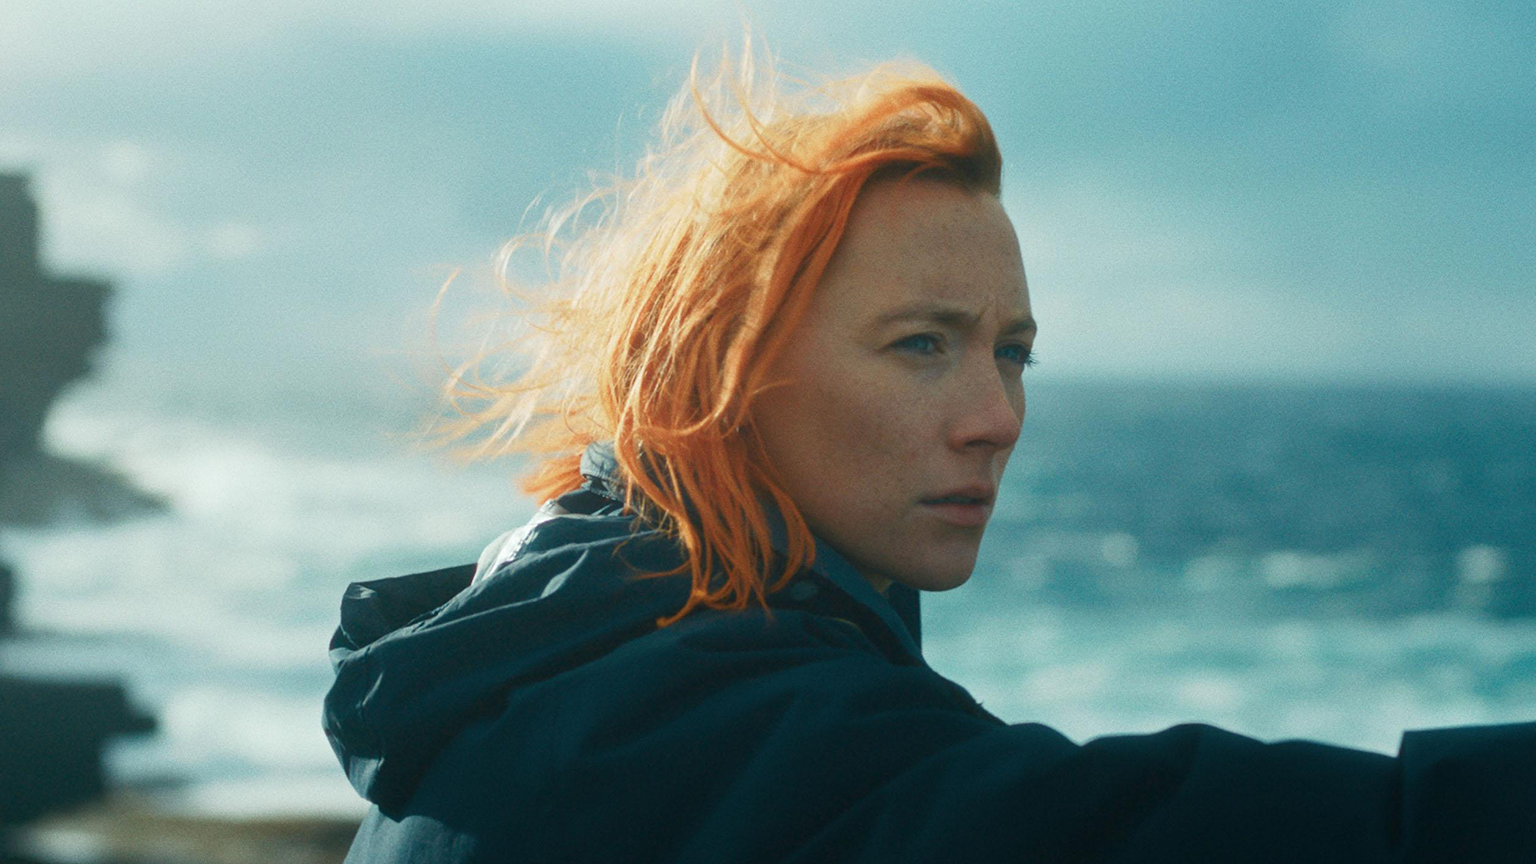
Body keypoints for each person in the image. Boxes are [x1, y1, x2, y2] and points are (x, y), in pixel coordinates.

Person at [323, 48, 1534, 863]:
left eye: (1011, 353)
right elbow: (1091, 829)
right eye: (921, 345)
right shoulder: (689, 727)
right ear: (722, 371)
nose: (993, 415)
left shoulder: (542, 642)